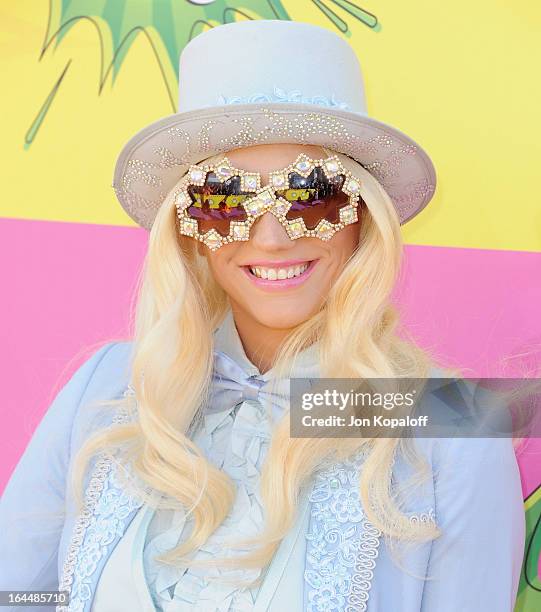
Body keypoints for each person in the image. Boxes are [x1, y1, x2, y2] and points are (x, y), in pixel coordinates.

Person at [0, 19, 525, 612]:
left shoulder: (458, 425)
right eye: (225, 199)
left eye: (310, 195)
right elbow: (16, 590)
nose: (270, 237)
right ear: (189, 229)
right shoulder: (106, 385)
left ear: (362, 218)